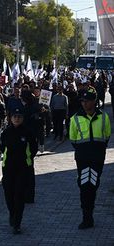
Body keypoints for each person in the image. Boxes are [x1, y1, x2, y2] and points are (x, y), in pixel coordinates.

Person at [69, 87, 111, 230]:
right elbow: (73, 139)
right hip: (83, 159)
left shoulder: (103, 117)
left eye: (87, 101)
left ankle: (89, 214)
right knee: (84, 186)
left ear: (94, 102)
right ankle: (86, 216)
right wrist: (84, 150)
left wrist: (97, 149)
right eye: (83, 101)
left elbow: (106, 136)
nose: (84, 104)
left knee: (93, 185)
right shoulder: (75, 118)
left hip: (97, 159)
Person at [1, 108, 37, 234]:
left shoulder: (28, 132)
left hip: (23, 168)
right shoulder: (6, 132)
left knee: (19, 196)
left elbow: (34, 149)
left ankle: (17, 223)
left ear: (22, 118)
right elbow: (2, 148)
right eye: (14, 116)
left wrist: (26, 160)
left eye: (19, 116)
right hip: (8, 168)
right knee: (9, 194)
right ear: (10, 118)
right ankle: (12, 213)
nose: (17, 118)